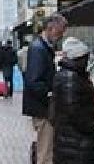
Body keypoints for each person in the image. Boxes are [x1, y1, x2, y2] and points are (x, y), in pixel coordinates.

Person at [50, 38, 94, 164]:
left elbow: (54, 114)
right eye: (85, 57)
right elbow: (75, 113)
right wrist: (91, 124)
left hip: (67, 143)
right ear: (79, 58)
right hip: (78, 145)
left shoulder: (66, 75)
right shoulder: (72, 79)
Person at [24, 14, 67, 164]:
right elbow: (34, 81)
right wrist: (50, 95)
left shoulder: (43, 47)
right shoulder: (38, 49)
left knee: (46, 147)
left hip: (43, 107)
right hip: (43, 109)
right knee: (46, 151)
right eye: (59, 32)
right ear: (50, 28)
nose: (60, 36)